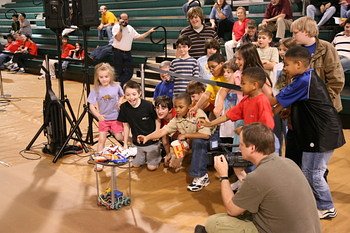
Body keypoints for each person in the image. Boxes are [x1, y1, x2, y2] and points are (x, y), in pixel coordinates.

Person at [197, 123, 321, 233]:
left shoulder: (258, 176)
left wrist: (223, 176)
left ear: (252, 148)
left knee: (214, 222)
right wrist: (242, 175)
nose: (239, 148)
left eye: (241, 144)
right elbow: (263, 190)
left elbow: (232, 210)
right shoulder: (289, 162)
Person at [270, 45, 345, 219]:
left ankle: (327, 207)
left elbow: (273, 99)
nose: (285, 68)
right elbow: (284, 104)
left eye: (286, 64)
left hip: (321, 134)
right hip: (315, 132)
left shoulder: (305, 81)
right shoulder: (303, 78)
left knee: (314, 173)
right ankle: (315, 203)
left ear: (298, 64)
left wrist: (256, 90)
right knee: (308, 171)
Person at [200, 67, 276, 191]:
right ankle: (245, 185)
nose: (240, 86)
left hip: (261, 146)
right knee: (237, 164)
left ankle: (251, 189)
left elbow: (268, 127)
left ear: (254, 85)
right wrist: (211, 123)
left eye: (243, 83)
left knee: (254, 171)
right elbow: (229, 115)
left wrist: (245, 130)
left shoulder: (262, 101)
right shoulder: (246, 99)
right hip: (249, 142)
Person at [138, 93, 214, 192]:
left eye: (181, 107)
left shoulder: (198, 114)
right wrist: (147, 137)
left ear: (190, 106)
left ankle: (202, 176)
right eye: (176, 107)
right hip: (191, 140)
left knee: (198, 142)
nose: (177, 110)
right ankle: (184, 161)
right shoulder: (177, 118)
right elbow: (162, 131)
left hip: (210, 139)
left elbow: (206, 135)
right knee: (177, 153)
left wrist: (186, 135)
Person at [290, 16, 345, 112]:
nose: (293, 36)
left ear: (306, 31)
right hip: (301, 105)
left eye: (295, 33)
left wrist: (321, 99)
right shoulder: (294, 49)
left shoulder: (326, 48)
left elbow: (336, 80)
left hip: (324, 106)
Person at [87, 63, 124, 172]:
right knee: (101, 140)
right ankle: (99, 161)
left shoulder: (116, 86)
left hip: (116, 118)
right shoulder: (96, 89)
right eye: (101, 77)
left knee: (119, 137)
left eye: (106, 76)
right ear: (97, 78)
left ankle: (130, 144)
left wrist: (120, 102)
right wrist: (98, 115)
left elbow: (122, 95)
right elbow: (91, 105)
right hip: (104, 119)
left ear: (111, 76)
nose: (104, 79)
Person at [117, 80, 161, 171]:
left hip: (151, 141)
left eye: (134, 94)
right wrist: (125, 144)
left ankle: (158, 152)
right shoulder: (124, 107)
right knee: (136, 165)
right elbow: (126, 126)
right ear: (124, 95)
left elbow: (157, 119)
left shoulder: (148, 105)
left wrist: (157, 133)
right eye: (127, 95)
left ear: (139, 93)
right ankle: (143, 156)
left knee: (151, 167)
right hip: (137, 143)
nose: (131, 97)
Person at [111, 13, 155, 87]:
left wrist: (149, 31)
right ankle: (118, 88)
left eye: (126, 19)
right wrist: (121, 27)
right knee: (118, 72)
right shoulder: (116, 27)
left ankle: (119, 86)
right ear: (119, 19)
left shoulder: (130, 28)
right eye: (123, 19)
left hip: (127, 53)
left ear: (128, 20)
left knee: (129, 73)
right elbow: (118, 38)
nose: (124, 21)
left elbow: (140, 37)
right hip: (117, 52)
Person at [190, 53, 226, 118]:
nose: (211, 70)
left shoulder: (229, 77)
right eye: (209, 68)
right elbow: (206, 94)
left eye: (213, 67)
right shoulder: (212, 80)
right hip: (215, 109)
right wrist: (196, 107)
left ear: (222, 64)